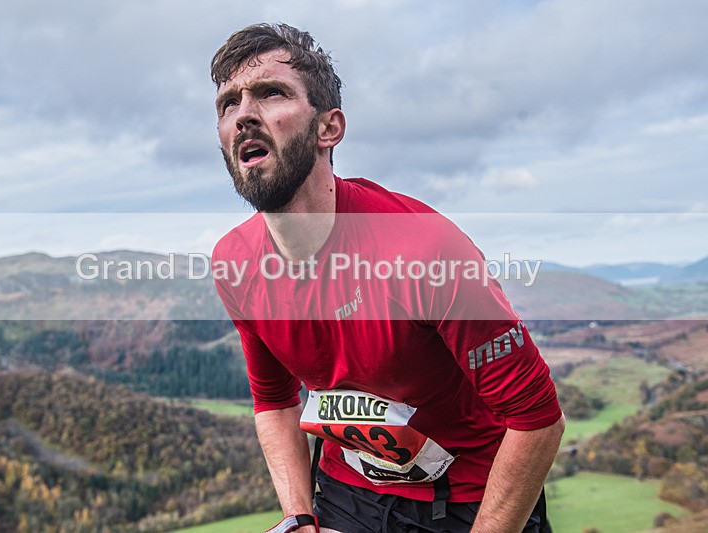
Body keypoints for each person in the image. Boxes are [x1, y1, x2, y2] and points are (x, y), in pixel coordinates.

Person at [210, 23, 565, 533]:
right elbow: (274, 400)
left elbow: (536, 419)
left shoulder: (423, 248)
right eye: (228, 104)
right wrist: (298, 518)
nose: (244, 114)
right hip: (345, 492)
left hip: (470, 500)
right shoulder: (234, 263)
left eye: (271, 93)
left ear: (328, 128)